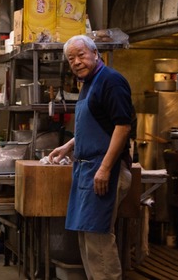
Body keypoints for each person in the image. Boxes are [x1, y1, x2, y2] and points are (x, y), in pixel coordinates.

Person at [48, 34, 135, 280]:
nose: (76, 62)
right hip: (87, 170)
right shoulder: (89, 82)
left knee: (99, 241)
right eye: (71, 58)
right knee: (87, 239)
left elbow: (122, 126)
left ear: (96, 54)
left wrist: (105, 169)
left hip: (105, 171)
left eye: (81, 55)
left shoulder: (111, 81)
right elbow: (100, 123)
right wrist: (69, 145)